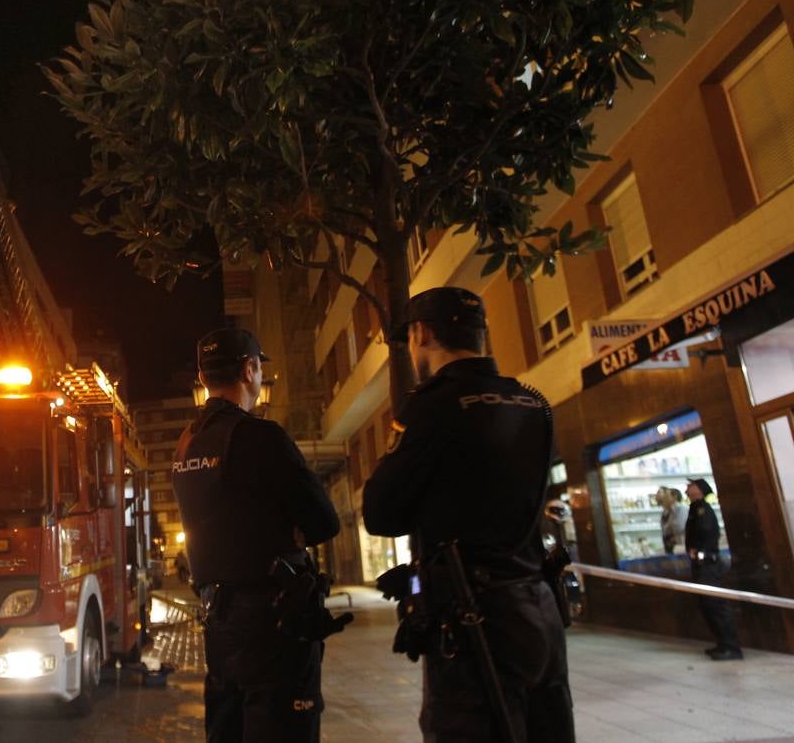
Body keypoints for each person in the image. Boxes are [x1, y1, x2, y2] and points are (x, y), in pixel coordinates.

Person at [362, 287, 574, 743]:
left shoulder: (432, 406)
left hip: (473, 620)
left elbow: (381, 513)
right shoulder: (532, 403)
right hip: (539, 610)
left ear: (420, 333)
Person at [172, 327, 341, 743]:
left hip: (220, 624)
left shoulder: (187, 445)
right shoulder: (262, 437)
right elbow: (324, 521)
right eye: (259, 368)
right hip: (273, 624)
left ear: (202, 374)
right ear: (249, 369)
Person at [685, 477, 742, 660]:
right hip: (702, 563)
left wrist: (697, 550)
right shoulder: (695, 508)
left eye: (691, 485)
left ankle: (731, 647)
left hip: (708, 564)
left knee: (715, 604)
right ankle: (723, 643)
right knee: (707, 605)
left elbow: (705, 531)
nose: (687, 487)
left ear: (699, 490)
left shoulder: (702, 508)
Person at [658, 486, 688, 555]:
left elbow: (679, 527)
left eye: (667, 496)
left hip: (681, 546)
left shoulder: (681, 509)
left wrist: (669, 526)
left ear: (674, 497)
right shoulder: (668, 511)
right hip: (673, 547)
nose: (664, 499)